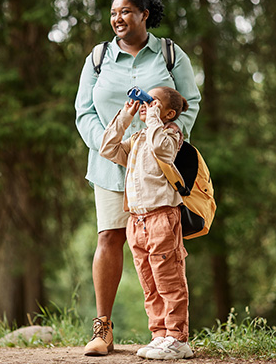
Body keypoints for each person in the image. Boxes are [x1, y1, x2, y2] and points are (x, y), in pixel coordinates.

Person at [75, 0, 201, 356]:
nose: (118, 18)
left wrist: (172, 134)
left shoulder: (170, 54)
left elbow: (189, 103)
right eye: (114, 12)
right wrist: (108, 147)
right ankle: (103, 329)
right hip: (110, 166)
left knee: (161, 248)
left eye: (127, 11)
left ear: (145, 14)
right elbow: (84, 112)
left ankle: (170, 333)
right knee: (109, 238)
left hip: (157, 168)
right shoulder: (98, 59)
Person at [99, 86, 193, 360]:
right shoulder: (139, 138)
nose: (146, 105)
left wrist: (153, 119)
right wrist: (126, 117)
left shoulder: (171, 134)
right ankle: (160, 335)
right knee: (150, 284)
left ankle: (177, 338)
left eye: (154, 102)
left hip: (162, 218)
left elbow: (162, 151)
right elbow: (107, 148)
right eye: (145, 101)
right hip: (136, 221)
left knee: (169, 280)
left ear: (170, 112)